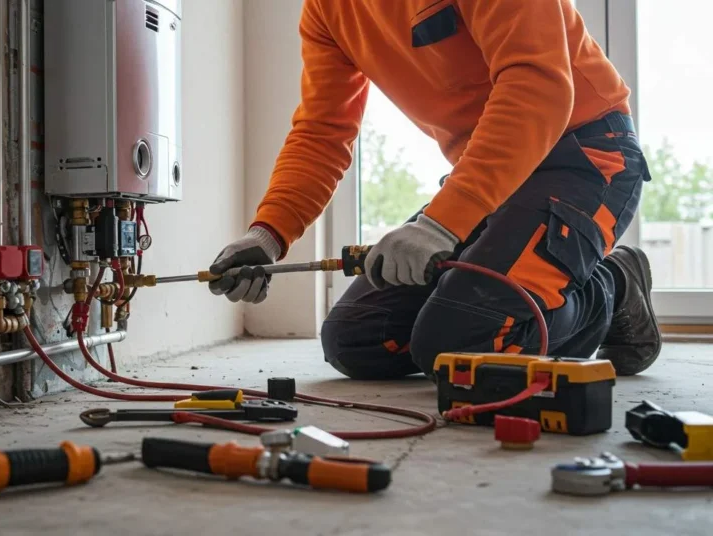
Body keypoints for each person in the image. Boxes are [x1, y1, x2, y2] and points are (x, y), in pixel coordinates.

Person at [208, 0, 661, 379]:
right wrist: (267, 235)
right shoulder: (327, 10)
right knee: (358, 340)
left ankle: (615, 286)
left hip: (584, 153)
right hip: (491, 172)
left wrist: (441, 225)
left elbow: (537, 86)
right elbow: (321, 133)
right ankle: (471, 297)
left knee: (468, 340)